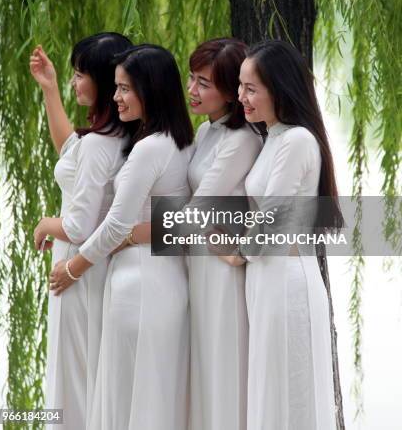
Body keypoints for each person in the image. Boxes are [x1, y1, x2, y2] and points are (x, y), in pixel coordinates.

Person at [49, 44, 194, 430]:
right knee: (150, 398)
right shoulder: (181, 142)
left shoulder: (148, 149)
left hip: (139, 286)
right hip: (163, 279)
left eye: (125, 89)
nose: (116, 98)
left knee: (126, 399)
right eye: (115, 88)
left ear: (153, 89)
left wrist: (74, 267)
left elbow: (114, 225)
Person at [222, 40, 339, 430]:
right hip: (265, 279)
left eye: (251, 89)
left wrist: (235, 252)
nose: (240, 97)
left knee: (292, 392)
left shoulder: (297, 141)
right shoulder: (273, 136)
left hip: (288, 282)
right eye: (240, 86)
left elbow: (273, 215)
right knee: (270, 390)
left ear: (280, 89)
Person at [29, 32, 133, 430]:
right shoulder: (114, 138)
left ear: (103, 82)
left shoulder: (99, 146)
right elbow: (69, 153)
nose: (74, 82)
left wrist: (44, 225)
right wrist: (50, 89)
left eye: (78, 75)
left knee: (73, 374)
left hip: (77, 269)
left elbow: (79, 225)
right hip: (93, 266)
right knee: (84, 370)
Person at [185, 38, 262, 430]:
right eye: (191, 79)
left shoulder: (243, 140)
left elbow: (197, 210)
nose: (192, 90)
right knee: (203, 371)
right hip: (197, 268)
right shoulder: (205, 133)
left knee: (223, 369)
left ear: (231, 90)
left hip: (221, 272)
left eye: (203, 83)